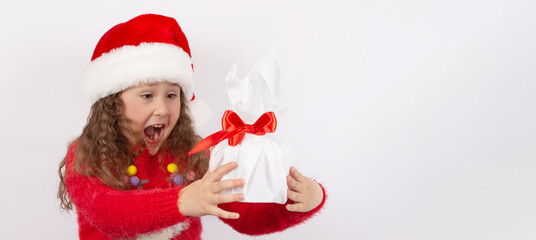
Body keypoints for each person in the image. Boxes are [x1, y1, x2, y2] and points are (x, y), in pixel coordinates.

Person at [57, 13, 326, 240]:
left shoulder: (194, 153)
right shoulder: (86, 155)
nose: (162, 108)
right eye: (147, 95)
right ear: (112, 102)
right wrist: (183, 201)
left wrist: (298, 203)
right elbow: (105, 212)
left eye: (171, 95)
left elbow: (241, 216)